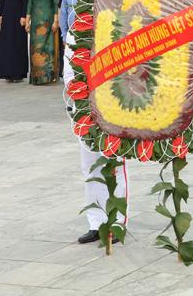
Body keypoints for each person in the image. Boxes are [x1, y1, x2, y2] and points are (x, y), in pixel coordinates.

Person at [63, 30, 128, 245]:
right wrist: (78, 91)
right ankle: (96, 222)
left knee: (114, 165)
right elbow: (69, 67)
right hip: (84, 107)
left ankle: (117, 222)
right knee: (90, 167)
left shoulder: (117, 22)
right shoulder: (76, 30)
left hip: (112, 106)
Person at [26, 0, 60, 85]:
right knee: (35, 48)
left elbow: (56, 5)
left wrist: (56, 21)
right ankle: (36, 77)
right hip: (35, 23)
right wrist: (27, 21)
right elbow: (29, 5)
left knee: (48, 48)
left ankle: (49, 76)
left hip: (48, 22)